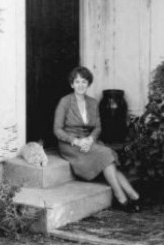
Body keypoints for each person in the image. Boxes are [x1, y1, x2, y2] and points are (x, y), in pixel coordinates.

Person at [54, 66, 141, 212]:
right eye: (77, 82)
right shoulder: (65, 102)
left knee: (107, 156)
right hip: (70, 144)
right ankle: (122, 197)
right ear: (72, 84)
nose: (81, 85)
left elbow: (98, 127)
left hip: (88, 141)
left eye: (84, 82)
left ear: (88, 84)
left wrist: (90, 139)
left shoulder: (93, 103)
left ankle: (133, 196)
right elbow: (57, 129)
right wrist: (76, 141)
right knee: (105, 154)